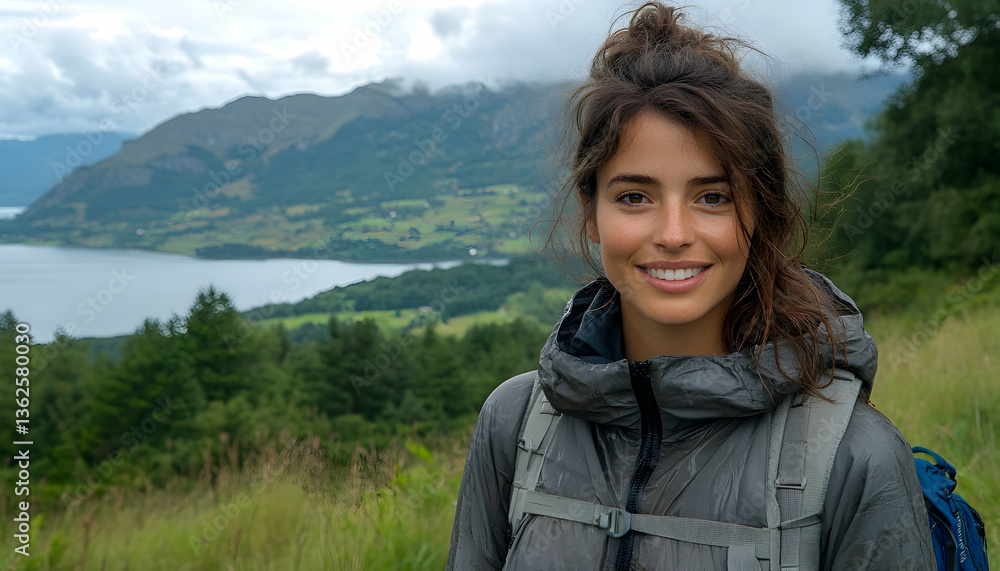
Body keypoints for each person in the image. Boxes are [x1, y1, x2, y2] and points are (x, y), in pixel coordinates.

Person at [446, 2, 935, 569]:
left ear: (759, 213)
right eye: (635, 197)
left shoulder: (853, 455)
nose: (674, 234)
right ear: (590, 212)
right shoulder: (514, 423)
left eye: (712, 197)